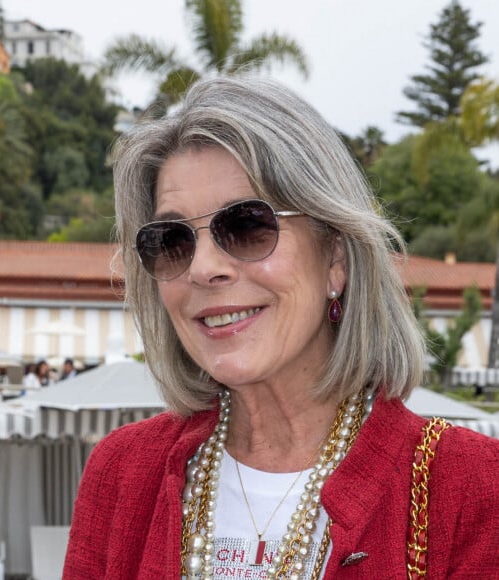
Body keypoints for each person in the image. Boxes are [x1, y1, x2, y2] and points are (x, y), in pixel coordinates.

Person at [63, 76, 499, 579]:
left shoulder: (468, 486)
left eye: (247, 226)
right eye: (173, 240)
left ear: (335, 255)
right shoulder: (123, 473)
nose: (203, 268)